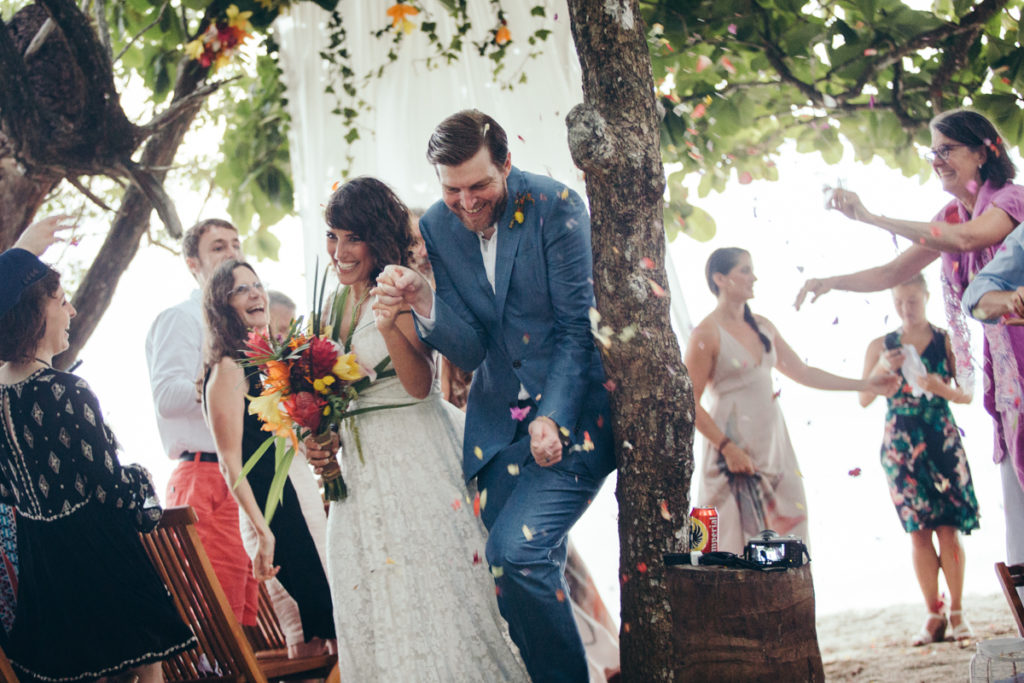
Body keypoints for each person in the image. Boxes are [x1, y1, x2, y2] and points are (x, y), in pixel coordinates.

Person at [374, 110, 616, 681]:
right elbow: (473, 348)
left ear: (507, 164)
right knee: (510, 578)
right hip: (496, 432)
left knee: (517, 555)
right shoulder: (439, 224)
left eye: (479, 185)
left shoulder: (556, 205)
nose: (466, 202)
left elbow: (576, 330)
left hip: (577, 416)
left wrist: (553, 418)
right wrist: (424, 299)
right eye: (451, 189)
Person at [304, 176, 527, 681]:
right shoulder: (331, 306)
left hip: (413, 451)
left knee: (430, 586)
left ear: (377, 237)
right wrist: (318, 435)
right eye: (333, 236)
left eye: (353, 238)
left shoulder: (397, 288)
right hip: (358, 473)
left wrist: (387, 328)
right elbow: (328, 395)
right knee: (371, 594)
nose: (339, 251)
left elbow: (420, 385)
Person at [794, 109, 1024, 572]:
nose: (936, 160)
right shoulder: (951, 214)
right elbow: (892, 273)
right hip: (1006, 369)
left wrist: (871, 216)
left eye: (947, 150)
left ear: (983, 152)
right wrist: (832, 281)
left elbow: (967, 240)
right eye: (932, 152)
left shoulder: (1010, 199)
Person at [0, 216, 195, 680]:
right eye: (62, 301)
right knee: (146, 669)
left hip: (41, 572)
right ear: (35, 312)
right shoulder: (67, 390)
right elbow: (111, 487)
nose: (72, 312)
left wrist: (24, 250)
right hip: (98, 559)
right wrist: (141, 480)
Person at [687, 248, 898, 554]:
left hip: (773, 444)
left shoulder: (763, 326)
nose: (754, 277)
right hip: (730, 448)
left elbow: (804, 372)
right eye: (745, 270)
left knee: (790, 531)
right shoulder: (705, 333)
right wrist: (727, 447)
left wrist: (865, 384)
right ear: (720, 279)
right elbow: (690, 403)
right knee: (727, 541)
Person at [202, 259, 337, 653]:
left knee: (327, 622)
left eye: (257, 285)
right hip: (272, 510)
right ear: (222, 305)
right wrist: (263, 533)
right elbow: (229, 461)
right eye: (241, 289)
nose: (255, 293)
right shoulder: (228, 369)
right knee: (310, 628)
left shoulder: (265, 364)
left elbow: (285, 435)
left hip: (300, 495)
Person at [145, 218, 258, 627]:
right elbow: (166, 396)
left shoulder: (244, 324)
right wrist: (222, 384)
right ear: (193, 264)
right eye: (218, 247)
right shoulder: (181, 318)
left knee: (243, 621)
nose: (231, 253)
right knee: (214, 621)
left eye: (235, 244)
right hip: (204, 476)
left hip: (243, 476)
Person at [860, 272, 978, 645]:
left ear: (926, 296)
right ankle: (932, 613)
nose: (905, 308)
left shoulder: (946, 340)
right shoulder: (881, 346)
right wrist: (882, 368)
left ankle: (957, 612)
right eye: (898, 301)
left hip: (941, 439)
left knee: (949, 529)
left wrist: (942, 388)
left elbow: (968, 393)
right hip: (901, 444)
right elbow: (863, 398)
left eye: (911, 300)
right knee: (918, 532)